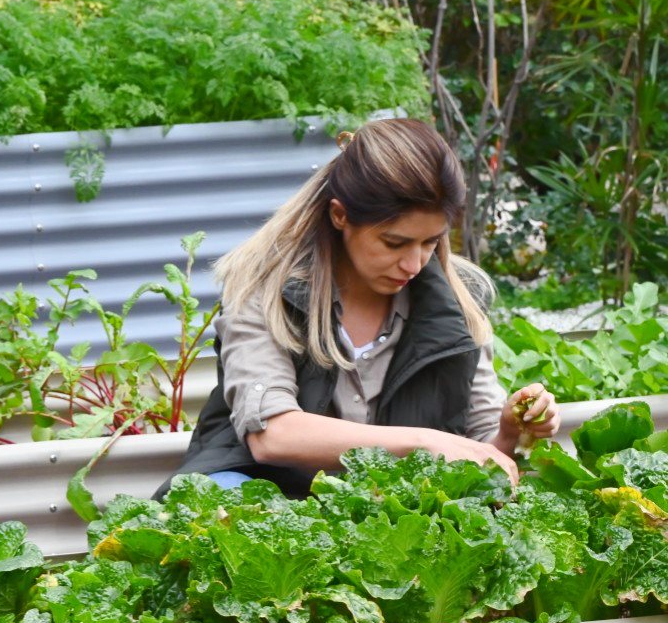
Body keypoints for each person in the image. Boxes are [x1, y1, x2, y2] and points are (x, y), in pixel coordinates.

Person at [158, 117, 560, 499]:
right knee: (225, 498)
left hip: (392, 512)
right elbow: (272, 435)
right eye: (394, 242)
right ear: (340, 215)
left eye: (430, 242)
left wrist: (510, 431)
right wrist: (423, 442)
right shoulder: (265, 288)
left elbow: (483, 456)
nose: (414, 263)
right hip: (268, 496)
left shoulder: (459, 299)